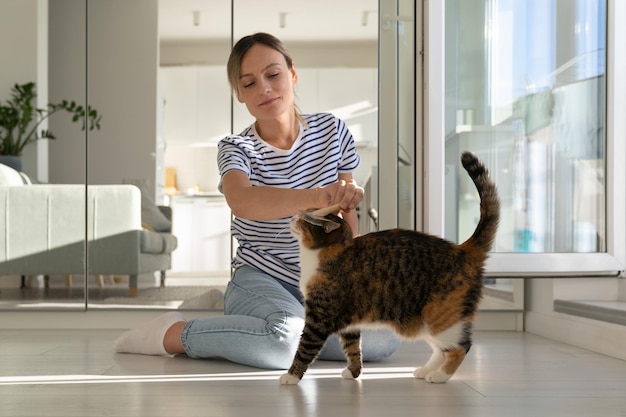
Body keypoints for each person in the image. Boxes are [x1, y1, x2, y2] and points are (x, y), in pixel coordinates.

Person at [114, 32, 400, 369]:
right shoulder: (236, 148)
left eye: (273, 74)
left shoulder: (333, 131)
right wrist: (320, 196)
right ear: (239, 94)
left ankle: (278, 333)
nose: (263, 88)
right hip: (262, 276)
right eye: (248, 83)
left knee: (384, 338)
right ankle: (172, 334)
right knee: (284, 344)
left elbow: (347, 209)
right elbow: (242, 200)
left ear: (292, 73)